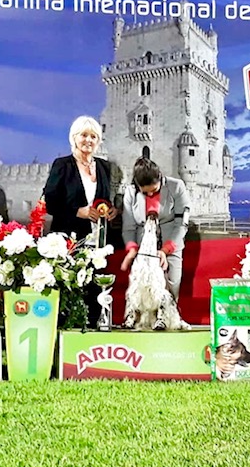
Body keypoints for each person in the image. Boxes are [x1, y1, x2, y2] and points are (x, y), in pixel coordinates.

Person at [42, 115, 117, 327]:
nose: (88, 140)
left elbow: (104, 200)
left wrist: (110, 210)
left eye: (93, 136)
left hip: (98, 243)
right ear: (74, 138)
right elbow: (50, 202)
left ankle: (93, 330)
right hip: (69, 241)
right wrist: (78, 212)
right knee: (70, 294)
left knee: (94, 293)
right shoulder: (62, 165)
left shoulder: (104, 167)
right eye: (84, 135)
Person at [120, 157, 191, 302]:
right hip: (142, 249)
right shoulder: (130, 192)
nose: (150, 195)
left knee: (171, 290)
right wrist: (132, 249)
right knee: (141, 293)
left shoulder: (177, 186)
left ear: (160, 179)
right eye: (145, 192)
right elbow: (128, 227)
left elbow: (181, 224)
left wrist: (165, 250)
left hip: (171, 244)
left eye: (154, 190)